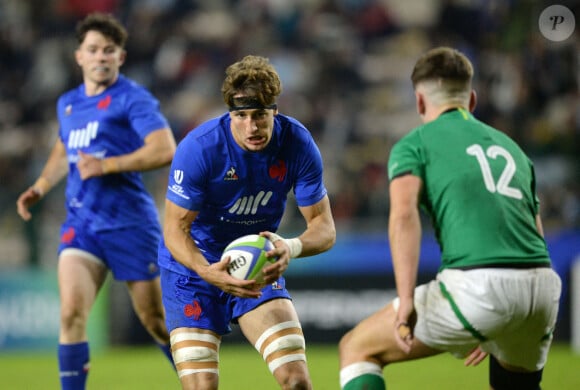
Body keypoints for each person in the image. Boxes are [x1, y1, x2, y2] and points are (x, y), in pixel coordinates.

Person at [338, 46, 562, 390]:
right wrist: (496, 323)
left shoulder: (415, 144)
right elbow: (534, 229)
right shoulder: (512, 148)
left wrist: (407, 301)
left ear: (419, 102)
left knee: (356, 348)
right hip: (541, 285)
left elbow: (403, 216)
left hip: (480, 285)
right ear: (471, 100)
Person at [15, 12, 177, 390]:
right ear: (79, 57)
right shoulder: (68, 104)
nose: (101, 57)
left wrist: (109, 165)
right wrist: (40, 185)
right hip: (82, 224)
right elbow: (63, 148)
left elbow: (165, 148)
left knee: (155, 319)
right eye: (93, 50)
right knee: (71, 313)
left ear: (120, 57)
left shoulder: (132, 99)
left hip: (130, 224)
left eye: (109, 50)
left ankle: (198, 379)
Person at [158, 54, 336, 389]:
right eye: (241, 116)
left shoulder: (297, 144)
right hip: (193, 271)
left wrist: (290, 247)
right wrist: (205, 269)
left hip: (255, 264)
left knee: (297, 381)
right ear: (229, 113)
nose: (251, 126)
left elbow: (324, 229)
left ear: (275, 111)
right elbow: (174, 229)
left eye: (260, 115)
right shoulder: (199, 149)